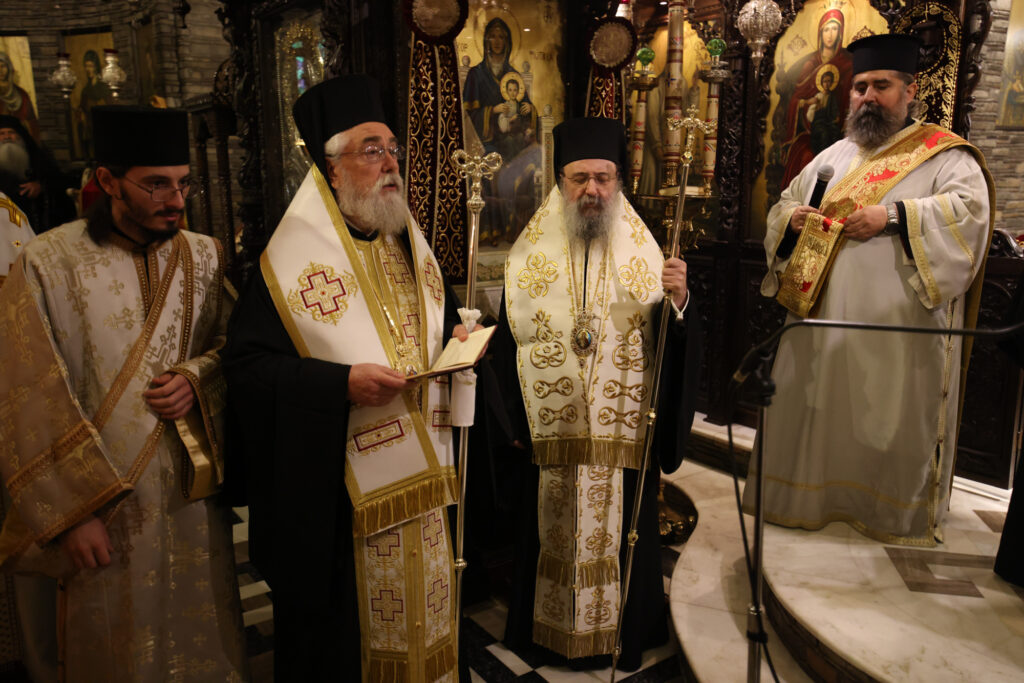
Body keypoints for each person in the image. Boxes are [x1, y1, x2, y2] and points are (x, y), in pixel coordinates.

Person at [222, 75, 470, 681]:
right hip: (338, 499)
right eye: (371, 150)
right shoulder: (284, 265)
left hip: (426, 477)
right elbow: (248, 370)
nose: (390, 164)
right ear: (331, 169)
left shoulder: (406, 247)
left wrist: (460, 344)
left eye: (392, 149)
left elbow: (434, 334)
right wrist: (339, 386)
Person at [0, 105, 249, 681]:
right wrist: (72, 512)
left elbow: (234, 347)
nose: (176, 200)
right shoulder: (47, 262)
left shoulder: (204, 254)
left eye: (183, 183)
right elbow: (24, 391)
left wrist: (197, 378)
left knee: (201, 640)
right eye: (156, 184)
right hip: (103, 505)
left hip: (189, 497)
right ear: (108, 181)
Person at [750, 34, 995, 545]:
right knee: (821, 414)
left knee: (881, 414)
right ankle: (808, 499)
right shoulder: (834, 155)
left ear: (910, 90)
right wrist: (791, 219)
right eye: (860, 86)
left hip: (895, 329)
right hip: (821, 326)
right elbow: (784, 204)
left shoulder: (943, 156)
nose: (867, 96)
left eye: (881, 85)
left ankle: (883, 512)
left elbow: (969, 213)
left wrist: (893, 216)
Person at [494, 117, 703, 671]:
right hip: (554, 437)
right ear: (560, 182)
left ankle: (621, 632)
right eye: (580, 177)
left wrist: (680, 303)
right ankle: (545, 635)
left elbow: (672, 344)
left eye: (604, 178)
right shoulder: (526, 258)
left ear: (618, 183)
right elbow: (511, 342)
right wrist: (515, 421)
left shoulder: (648, 254)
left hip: (621, 437)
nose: (593, 189)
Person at [770, 8, 853, 196]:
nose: (830, 35)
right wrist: (806, 103)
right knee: (801, 155)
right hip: (809, 129)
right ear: (820, 33)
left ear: (840, 32)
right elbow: (796, 98)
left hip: (837, 133)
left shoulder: (848, 63)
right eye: (826, 29)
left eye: (834, 29)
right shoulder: (808, 64)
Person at [0, 115, 75, 231]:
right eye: (2, 133)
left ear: (20, 136)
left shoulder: (37, 156)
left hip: (38, 224)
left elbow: (59, 180)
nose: (7, 137)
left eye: (11, 132)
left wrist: (41, 186)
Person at [75, 50, 112, 159]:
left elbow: (110, 106)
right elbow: (82, 107)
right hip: (89, 128)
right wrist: (80, 112)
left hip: (102, 127)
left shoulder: (104, 87)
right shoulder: (85, 90)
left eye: (90, 66)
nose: (88, 69)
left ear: (96, 67)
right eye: (86, 66)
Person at [0, 52, 39, 140]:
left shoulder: (21, 94)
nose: (0, 70)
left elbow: (32, 122)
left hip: (18, 139)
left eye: (3, 66)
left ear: (9, 68)